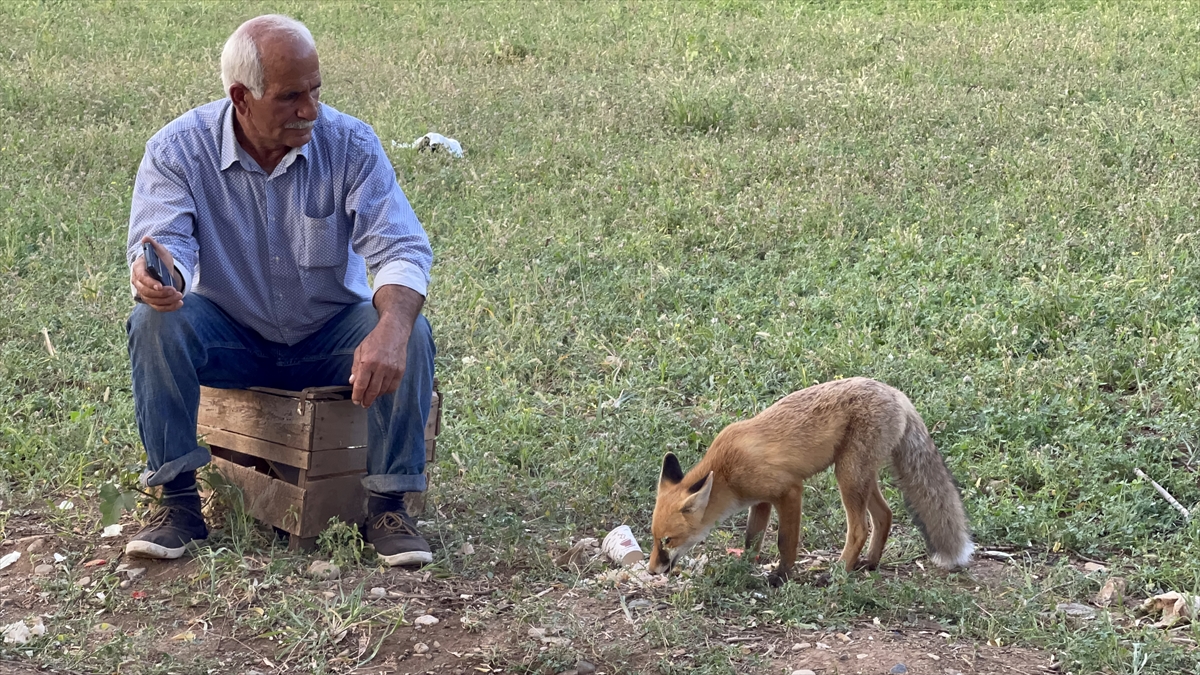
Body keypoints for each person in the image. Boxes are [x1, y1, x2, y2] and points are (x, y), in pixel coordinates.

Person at [124, 14, 435, 566]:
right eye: (292, 97)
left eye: (316, 91)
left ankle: (388, 506)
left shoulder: (351, 144)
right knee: (154, 323)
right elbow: (169, 245)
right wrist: (161, 278)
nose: (311, 110)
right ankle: (177, 504)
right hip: (231, 339)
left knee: (407, 331)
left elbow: (401, 249)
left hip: (327, 338)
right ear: (241, 97)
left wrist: (390, 329)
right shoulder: (177, 150)